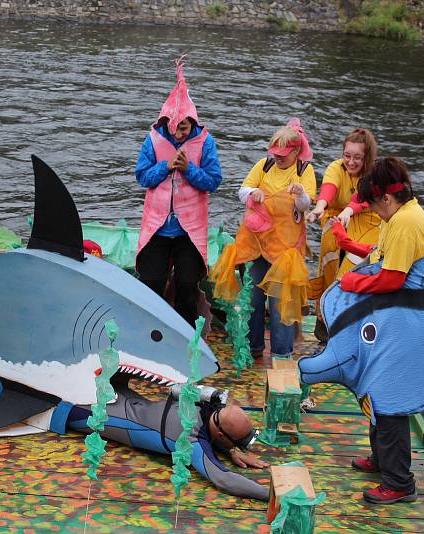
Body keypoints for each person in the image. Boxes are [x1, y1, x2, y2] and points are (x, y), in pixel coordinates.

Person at [330, 157, 424, 504]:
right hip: (398, 318)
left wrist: (354, 283)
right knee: (376, 391)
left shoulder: (405, 222)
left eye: (374, 205)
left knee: (391, 400)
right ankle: (381, 460)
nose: (373, 213)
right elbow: (379, 256)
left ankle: (400, 483)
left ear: (387, 199)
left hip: (412, 323)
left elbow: (392, 278)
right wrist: (349, 250)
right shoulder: (397, 218)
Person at [210, 118, 315, 359]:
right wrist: (252, 193)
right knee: (253, 300)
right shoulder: (264, 166)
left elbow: (306, 204)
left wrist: (300, 194)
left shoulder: (304, 171)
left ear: (297, 151)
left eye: (284, 154)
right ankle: (254, 348)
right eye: (276, 152)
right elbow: (242, 190)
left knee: (280, 305)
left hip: (285, 253)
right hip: (255, 246)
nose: (279, 157)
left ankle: (281, 354)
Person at [64, 377, 269, 499]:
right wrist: (271, 494)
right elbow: (223, 479)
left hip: (121, 396)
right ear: (221, 435)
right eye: (238, 443)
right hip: (96, 414)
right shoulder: (190, 438)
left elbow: (216, 431)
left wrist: (232, 449)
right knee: (60, 407)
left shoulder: (206, 405)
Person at [135, 58, 223, 327]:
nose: (179, 134)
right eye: (174, 129)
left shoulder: (205, 142)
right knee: (151, 284)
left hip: (189, 230)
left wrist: (188, 169)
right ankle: (148, 332)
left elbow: (213, 181)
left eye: (183, 128)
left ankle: (185, 337)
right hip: (158, 227)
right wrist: (165, 167)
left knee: (187, 287)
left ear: (191, 121)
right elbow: (142, 176)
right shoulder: (153, 139)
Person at [306, 128, 380, 342]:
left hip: (366, 225)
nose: (351, 161)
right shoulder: (336, 168)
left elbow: (361, 198)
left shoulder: (374, 174)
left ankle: (352, 325)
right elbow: (329, 188)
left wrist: (349, 211)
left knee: (352, 274)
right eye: (347, 156)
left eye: (357, 157)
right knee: (329, 268)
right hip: (336, 222)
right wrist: (320, 207)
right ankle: (324, 321)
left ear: (367, 158)